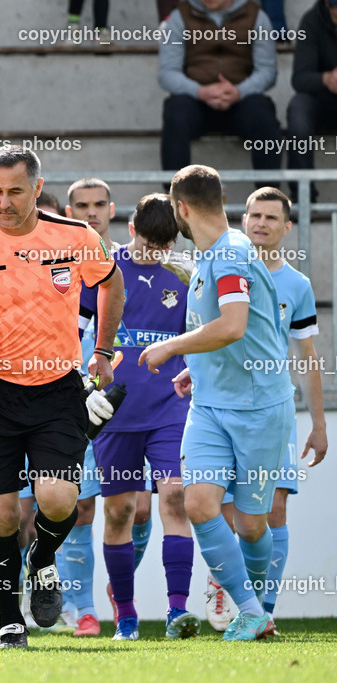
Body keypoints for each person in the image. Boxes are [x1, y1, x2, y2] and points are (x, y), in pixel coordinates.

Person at [0, 146, 124, 649]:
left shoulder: (76, 237)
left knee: (60, 503)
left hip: (57, 390)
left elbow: (110, 284)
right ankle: (10, 622)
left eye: (15, 190)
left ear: (37, 187)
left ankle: (42, 558)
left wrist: (102, 349)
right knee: (0, 516)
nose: (4, 201)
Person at [139, 164, 296, 641]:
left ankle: (262, 608)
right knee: (200, 503)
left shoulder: (229, 254)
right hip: (209, 405)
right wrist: (196, 367)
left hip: (260, 408)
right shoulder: (209, 257)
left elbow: (232, 325)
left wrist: (172, 348)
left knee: (251, 526)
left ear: (181, 209)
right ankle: (249, 611)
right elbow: (226, 334)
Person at [80, 193, 200, 641]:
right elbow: (76, 327)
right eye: (149, 244)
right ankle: (126, 616)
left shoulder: (186, 274)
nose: (156, 254)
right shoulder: (103, 269)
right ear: (131, 231)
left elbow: (206, 334)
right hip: (115, 408)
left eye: (164, 246)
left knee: (174, 500)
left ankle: (177, 613)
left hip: (171, 405)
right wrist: (78, 383)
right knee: (119, 511)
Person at [235, 187, 327, 627]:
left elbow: (306, 357)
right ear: (243, 219)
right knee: (221, 508)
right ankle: (235, 596)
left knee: (274, 510)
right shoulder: (222, 270)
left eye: (272, 217)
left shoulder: (297, 284)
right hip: (220, 408)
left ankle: (264, 611)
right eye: (255, 214)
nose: (261, 223)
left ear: (288, 228)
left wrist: (318, 423)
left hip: (275, 412)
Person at [59, 177, 120, 636]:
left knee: (130, 509)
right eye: (82, 205)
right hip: (63, 401)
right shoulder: (55, 262)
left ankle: (124, 601)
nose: (91, 212)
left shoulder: (128, 265)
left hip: (123, 401)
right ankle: (80, 607)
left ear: (112, 210)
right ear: (68, 209)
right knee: (67, 508)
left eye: (99, 204)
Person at [158, 0, 283, 175]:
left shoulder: (256, 16)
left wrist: (239, 92)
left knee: (263, 113)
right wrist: (200, 92)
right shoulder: (180, 16)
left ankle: (269, 196)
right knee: (175, 112)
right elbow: (167, 72)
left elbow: (267, 71)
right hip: (196, 102)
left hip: (241, 101)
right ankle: (174, 196)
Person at [286, 0, 337, 203]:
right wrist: (327, 78)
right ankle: (303, 197)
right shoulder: (312, 21)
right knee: (298, 109)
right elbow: (299, 79)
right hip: (323, 100)